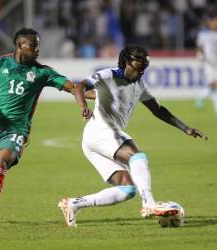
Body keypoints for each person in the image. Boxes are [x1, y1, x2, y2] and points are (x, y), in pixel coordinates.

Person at [58, 44, 207, 227]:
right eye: (137, 68)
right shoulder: (108, 75)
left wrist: (185, 128)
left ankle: (73, 204)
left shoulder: (139, 84)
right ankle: (149, 204)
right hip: (100, 130)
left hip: (94, 140)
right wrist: (83, 107)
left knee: (127, 189)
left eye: (143, 70)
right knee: (136, 156)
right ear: (126, 62)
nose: (139, 73)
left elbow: (158, 110)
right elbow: (79, 86)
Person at [0, 28, 89, 229]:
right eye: (33, 46)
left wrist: (91, 99)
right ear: (20, 46)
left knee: (1, 163)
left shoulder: (42, 72)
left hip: (16, 131)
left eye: (38, 46)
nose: (37, 50)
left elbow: (73, 87)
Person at [195, 14, 217, 112]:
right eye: (214, 21)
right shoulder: (204, 34)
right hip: (209, 63)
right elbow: (200, 47)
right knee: (214, 84)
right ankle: (200, 99)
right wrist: (200, 56)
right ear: (210, 23)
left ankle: (200, 99)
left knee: (214, 85)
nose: (215, 23)